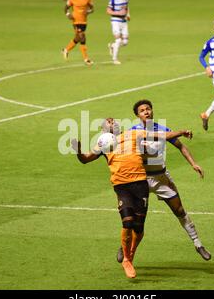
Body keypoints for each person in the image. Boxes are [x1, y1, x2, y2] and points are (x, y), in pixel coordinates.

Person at [71, 118, 192, 278]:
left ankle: (130, 255)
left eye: (113, 120)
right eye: (108, 121)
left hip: (141, 184)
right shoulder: (103, 143)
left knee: (138, 227)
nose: (111, 121)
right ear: (103, 130)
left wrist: (180, 132)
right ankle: (127, 260)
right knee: (127, 222)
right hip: (121, 186)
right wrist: (78, 150)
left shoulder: (133, 134)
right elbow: (85, 159)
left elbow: (160, 135)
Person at [115, 100, 211, 263]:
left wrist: (193, 163)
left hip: (161, 178)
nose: (146, 112)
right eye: (142, 110)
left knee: (179, 210)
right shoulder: (132, 132)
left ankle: (198, 244)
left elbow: (181, 146)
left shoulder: (162, 129)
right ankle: (124, 249)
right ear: (137, 115)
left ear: (152, 111)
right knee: (136, 221)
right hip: (141, 180)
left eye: (148, 109)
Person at [62, 0, 94, 66]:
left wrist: (88, 12)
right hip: (75, 21)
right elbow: (65, 8)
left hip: (84, 22)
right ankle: (86, 59)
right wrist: (68, 14)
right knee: (82, 37)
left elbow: (92, 9)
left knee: (78, 38)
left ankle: (66, 50)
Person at [106, 0, 130, 65]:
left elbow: (126, 7)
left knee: (125, 42)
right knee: (118, 40)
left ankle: (112, 46)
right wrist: (118, 13)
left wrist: (128, 14)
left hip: (124, 21)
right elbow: (108, 11)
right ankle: (114, 59)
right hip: (115, 21)